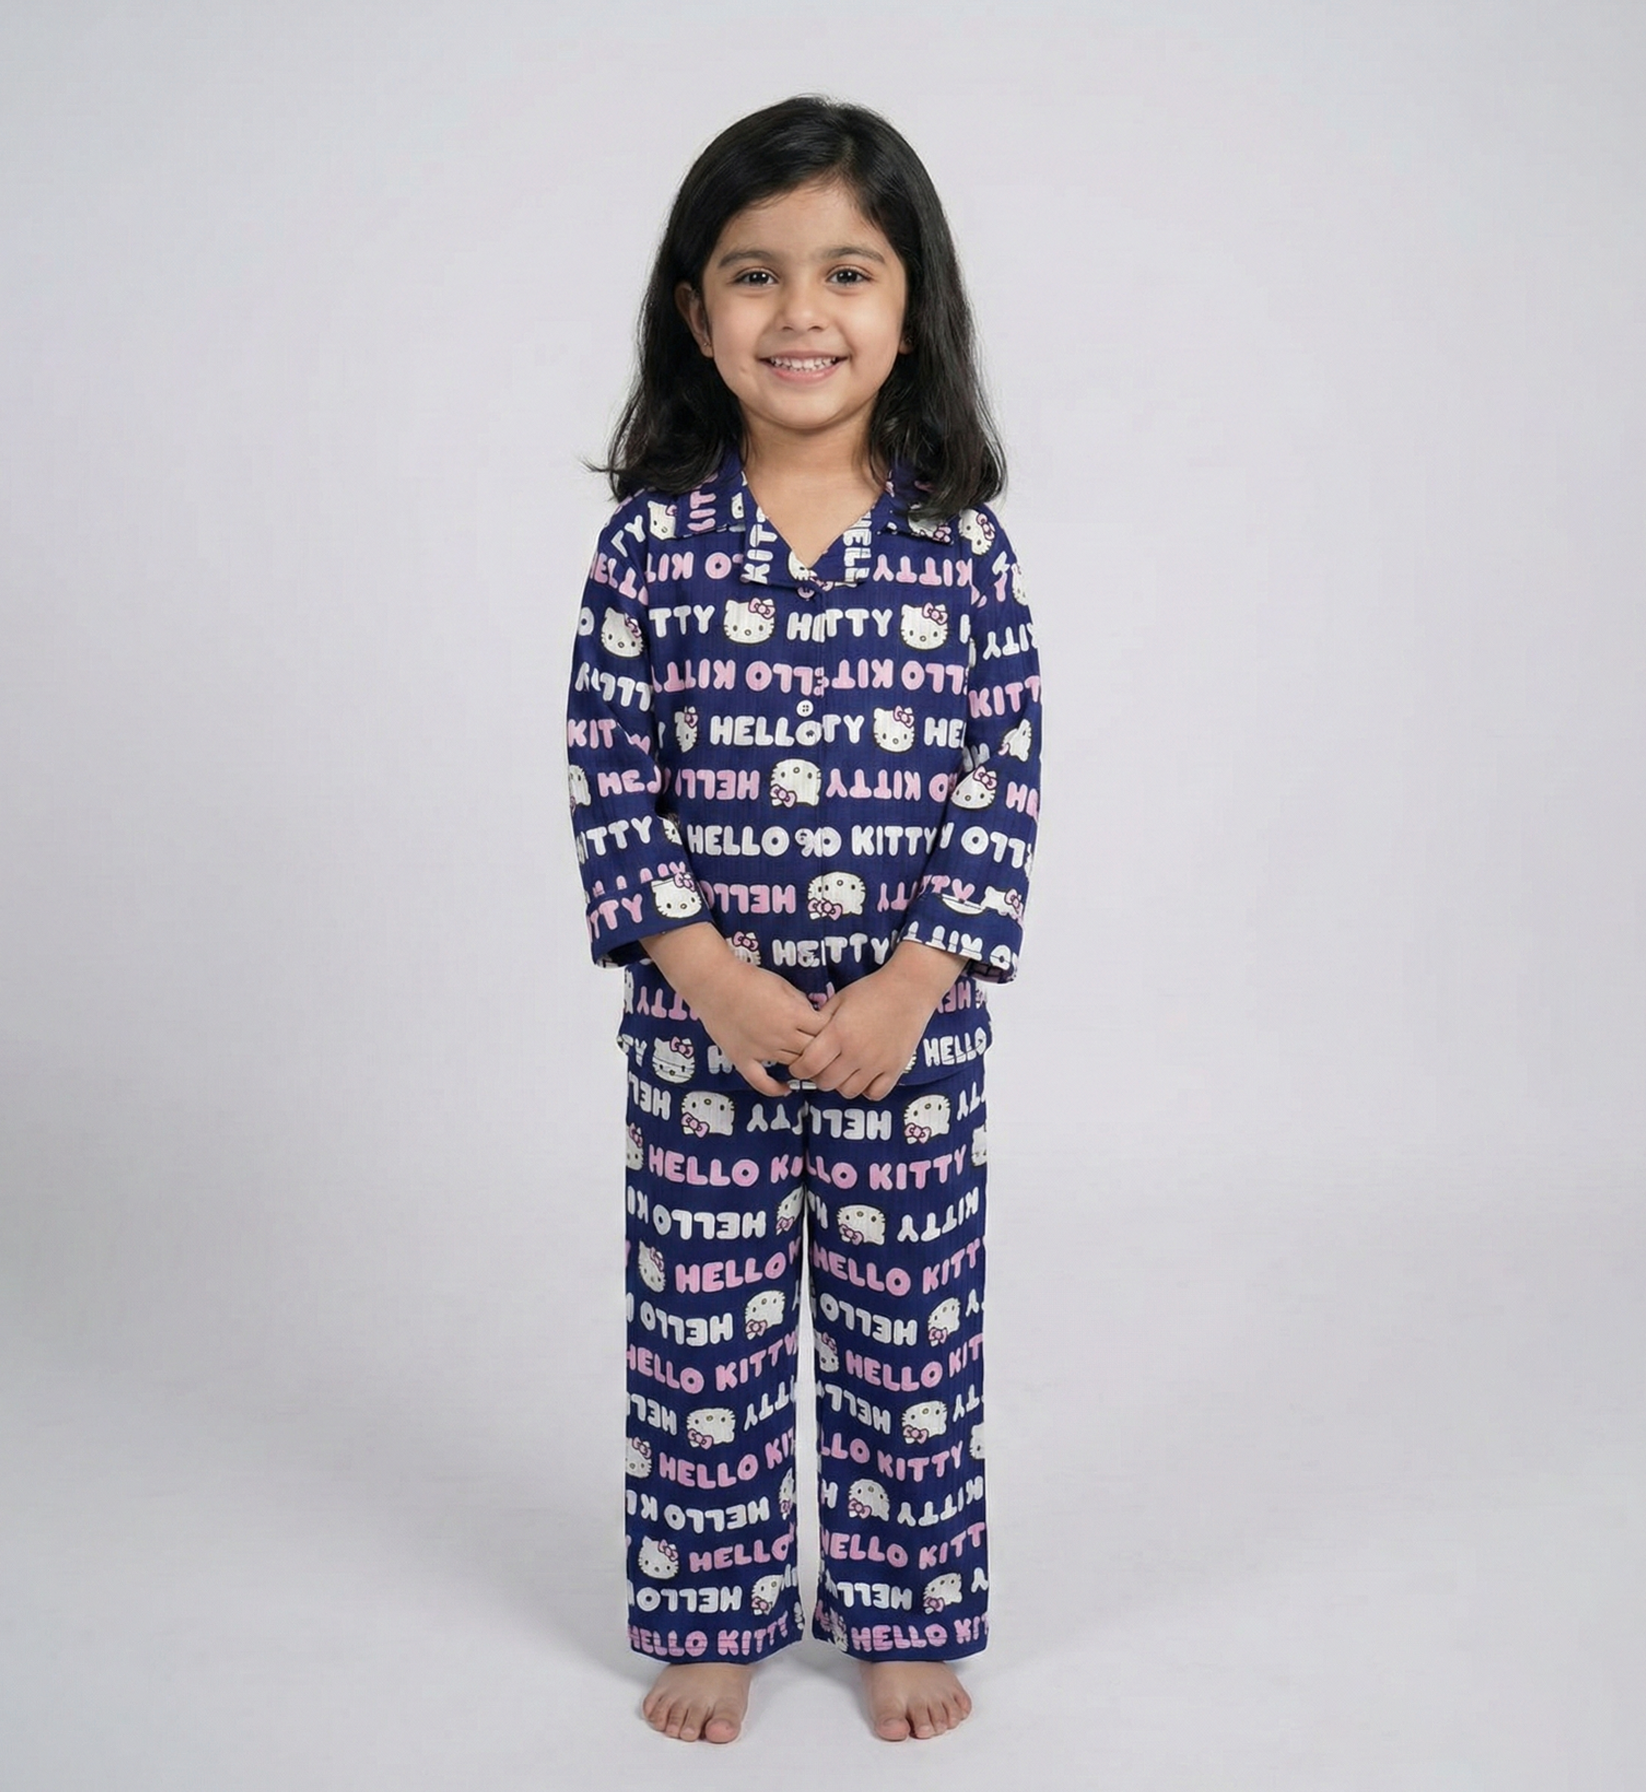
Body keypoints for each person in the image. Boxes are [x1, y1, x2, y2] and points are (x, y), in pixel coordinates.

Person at [565, 94, 1040, 1745]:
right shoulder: (648, 551)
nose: (800, 312)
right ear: (697, 316)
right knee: (702, 1335)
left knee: (910, 1333)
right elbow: (608, 775)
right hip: (703, 1036)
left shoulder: (960, 552)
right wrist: (704, 975)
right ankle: (717, 1611)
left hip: (912, 1037)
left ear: (910, 311)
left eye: (847, 272)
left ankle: (902, 1612)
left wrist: (916, 981)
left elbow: (1002, 775)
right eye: (755, 275)